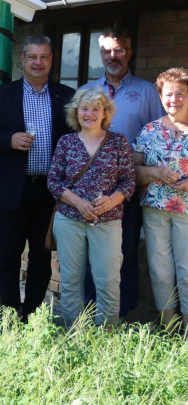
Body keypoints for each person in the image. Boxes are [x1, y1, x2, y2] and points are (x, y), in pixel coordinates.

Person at [0, 35, 75, 320]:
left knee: (42, 258)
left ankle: (31, 315)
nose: (38, 62)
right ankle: (7, 315)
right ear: (23, 59)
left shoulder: (66, 95)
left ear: (51, 60)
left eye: (44, 57)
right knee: (8, 256)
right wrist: (9, 139)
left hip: (49, 190)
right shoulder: (2, 94)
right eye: (32, 57)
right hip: (12, 189)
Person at [81, 29, 164, 318]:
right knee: (94, 249)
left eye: (118, 50)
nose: (112, 56)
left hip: (129, 185)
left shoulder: (147, 91)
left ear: (128, 53)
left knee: (126, 248)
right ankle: (92, 308)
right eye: (106, 51)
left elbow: (159, 132)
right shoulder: (88, 90)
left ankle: (124, 311)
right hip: (92, 185)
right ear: (100, 54)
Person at [47, 88, 135, 327]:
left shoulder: (118, 142)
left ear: (105, 113)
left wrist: (112, 200)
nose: (90, 114)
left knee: (107, 281)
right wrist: (79, 203)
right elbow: (53, 181)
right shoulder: (66, 142)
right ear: (76, 112)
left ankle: (103, 339)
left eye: (96, 109)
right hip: (69, 220)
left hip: (107, 221)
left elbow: (129, 181)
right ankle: (74, 335)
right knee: (71, 281)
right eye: (85, 108)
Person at [133, 67, 188, 333]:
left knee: (187, 271)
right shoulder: (149, 130)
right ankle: (170, 329)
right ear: (160, 96)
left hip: (187, 211)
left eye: (181, 94)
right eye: (169, 94)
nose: (174, 99)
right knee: (160, 270)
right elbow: (133, 171)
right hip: (155, 209)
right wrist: (155, 172)